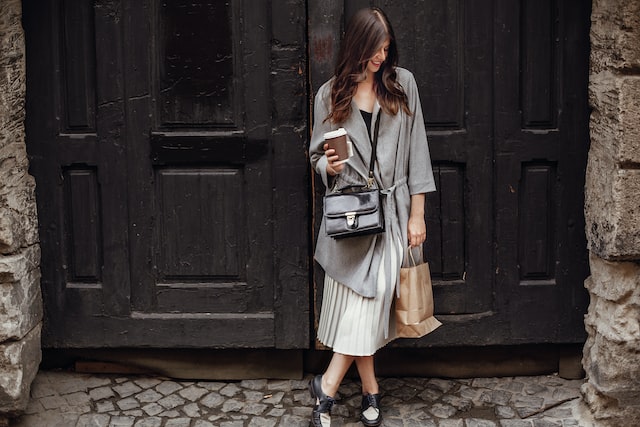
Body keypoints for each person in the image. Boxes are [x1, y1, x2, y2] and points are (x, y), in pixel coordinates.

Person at [308, 6, 436, 427]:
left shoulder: (404, 86)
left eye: (386, 48)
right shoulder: (329, 95)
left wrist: (418, 214)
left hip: (395, 215)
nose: (381, 57)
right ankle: (370, 388)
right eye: (374, 49)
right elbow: (317, 159)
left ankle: (327, 385)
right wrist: (329, 166)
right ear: (356, 46)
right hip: (351, 221)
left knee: (374, 293)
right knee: (361, 303)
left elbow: (418, 152)